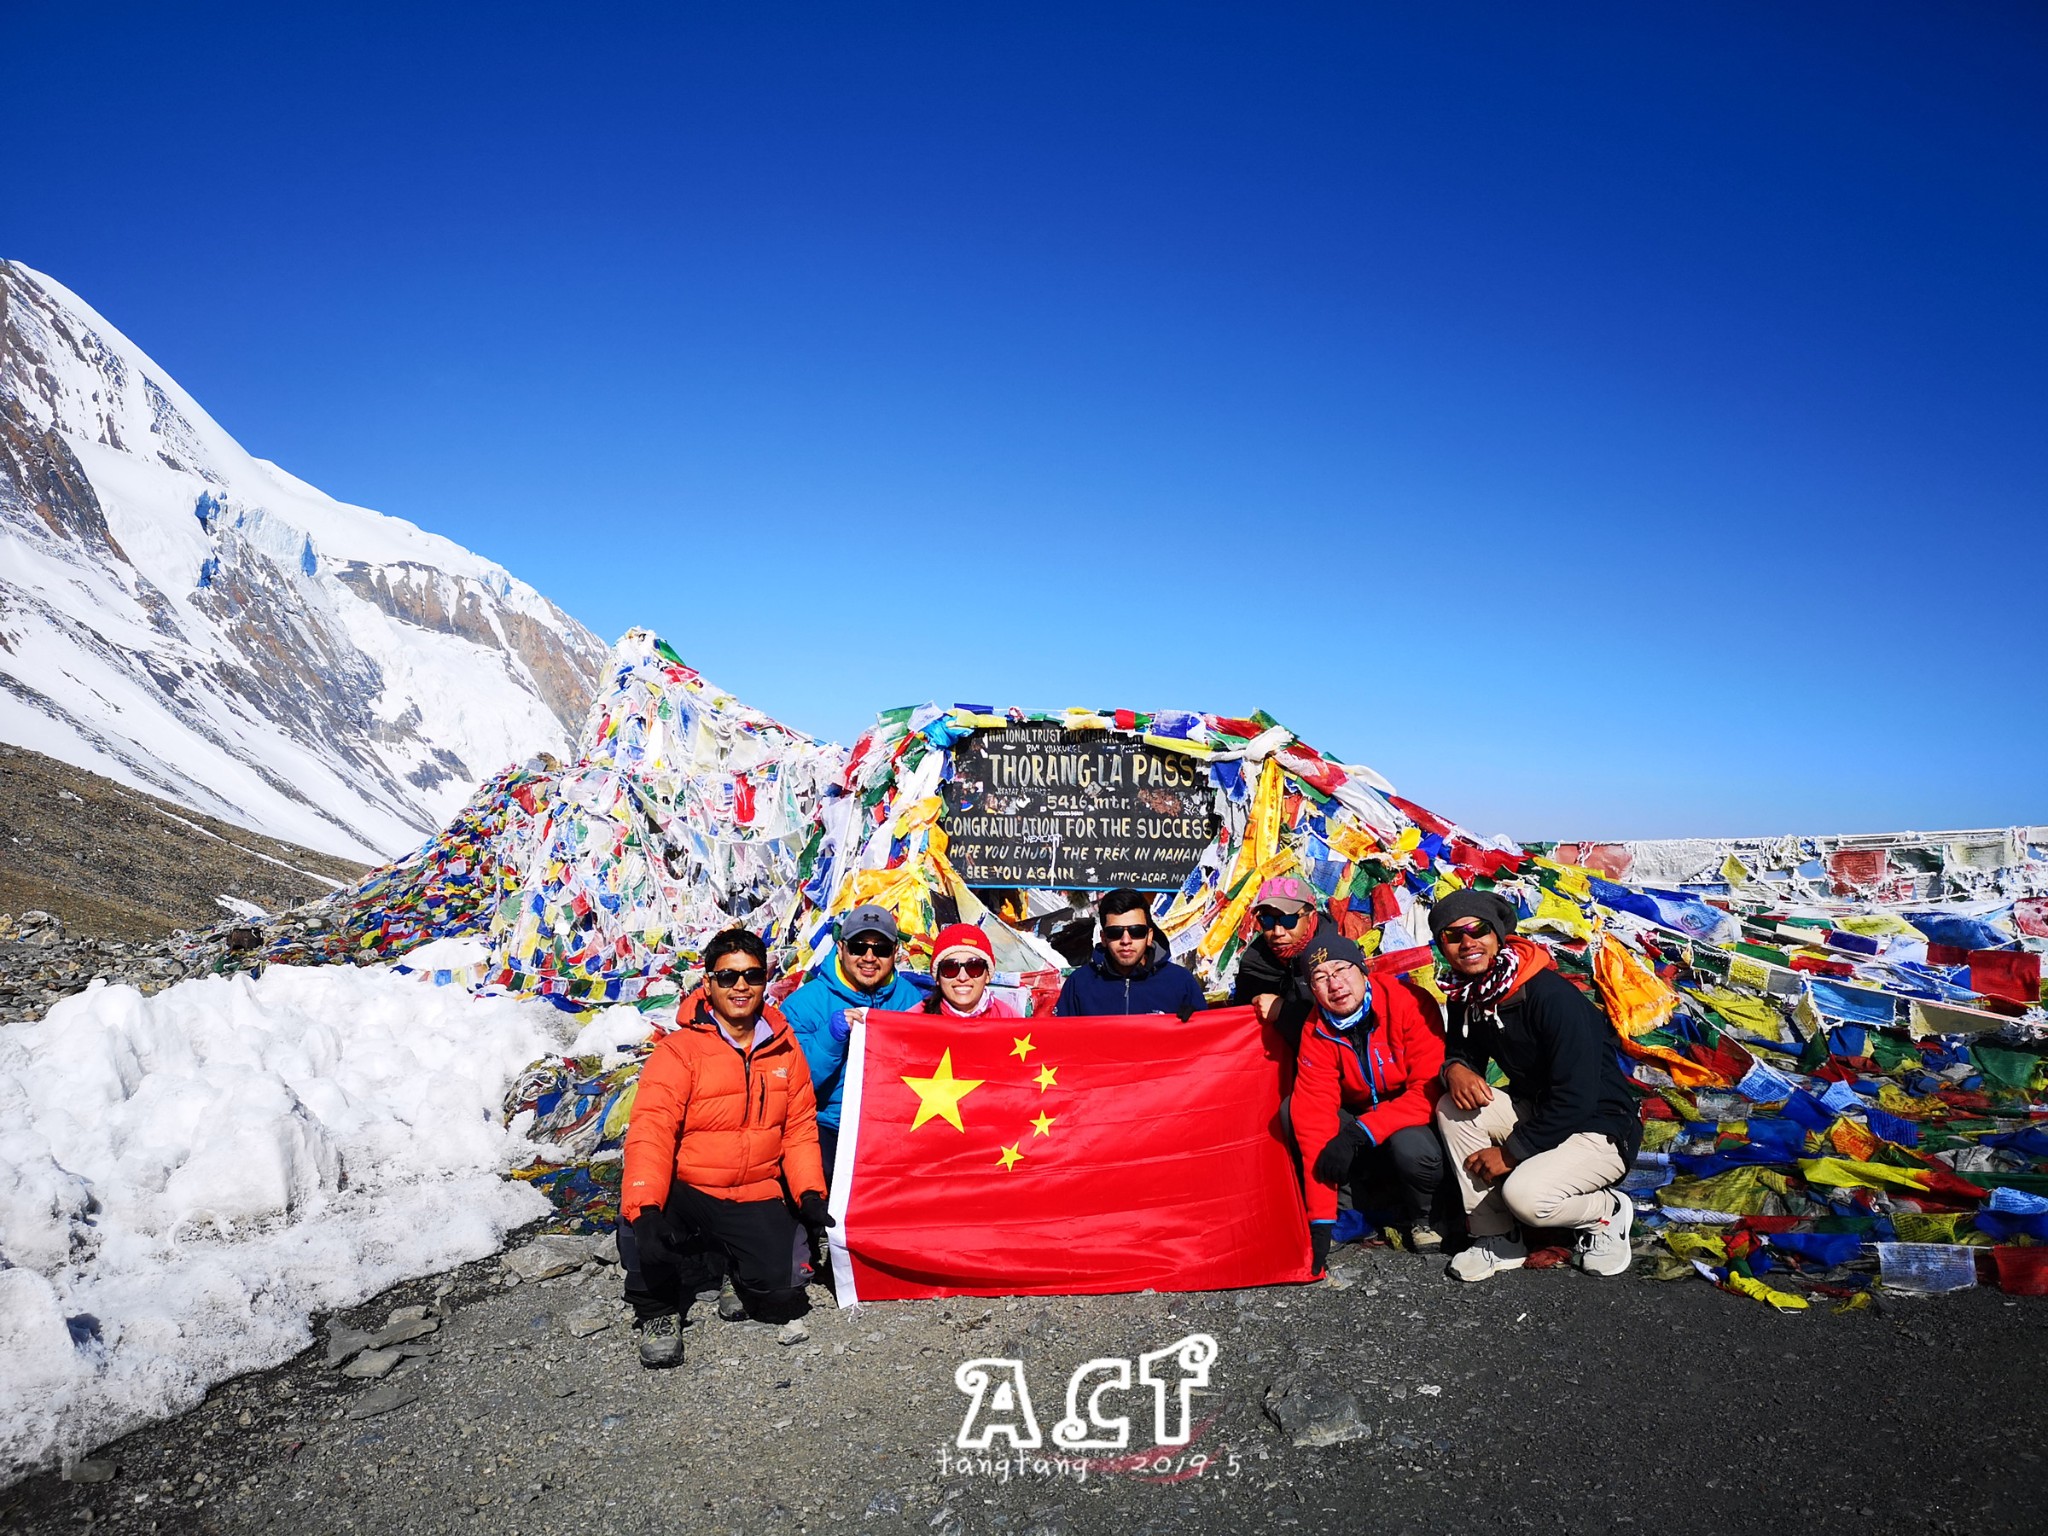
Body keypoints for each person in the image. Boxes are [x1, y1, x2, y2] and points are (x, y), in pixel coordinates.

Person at [619, 928, 831, 1368]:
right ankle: (657, 1309)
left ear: (765, 982)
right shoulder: (678, 1051)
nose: (740, 986)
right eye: (728, 976)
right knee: (639, 1223)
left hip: (753, 1189)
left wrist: (810, 1192)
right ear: (708, 983)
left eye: (752, 976)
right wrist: (647, 1206)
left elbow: (798, 1128)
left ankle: (733, 1265)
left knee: (784, 1287)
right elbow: (652, 1131)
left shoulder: (784, 1049)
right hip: (689, 1187)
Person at [1429, 890, 1642, 1283]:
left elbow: (1577, 1097)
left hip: (1599, 1126)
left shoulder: (1551, 998)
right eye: (1453, 936)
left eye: (1478, 930)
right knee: (1452, 1106)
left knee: (1525, 1197)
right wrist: (1456, 1067)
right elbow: (1463, 1049)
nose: (1468, 942)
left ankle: (1606, 1211)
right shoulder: (1470, 994)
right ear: (1442, 946)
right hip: (1543, 1113)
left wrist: (1511, 1153)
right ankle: (1496, 1236)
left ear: (1499, 935)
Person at [1289, 932, 1449, 1270]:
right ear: (1312, 990)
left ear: (1362, 970)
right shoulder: (1317, 1029)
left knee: (1412, 1146)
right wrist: (1320, 1220)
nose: (1335, 984)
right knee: (1292, 1113)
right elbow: (1313, 1116)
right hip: (1361, 1111)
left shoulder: (1409, 1002)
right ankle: (1346, 1214)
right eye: (1320, 978)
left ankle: (1424, 1216)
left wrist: (1361, 1131)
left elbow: (1429, 1088)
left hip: (1410, 1110)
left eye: (1342, 969)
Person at [782, 903, 925, 1186]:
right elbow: (792, 1083)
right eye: (859, 947)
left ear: (896, 952)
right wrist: (830, 1038)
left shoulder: (913, 1001)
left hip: (895, 1127)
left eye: (881, 948)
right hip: (830, 1126)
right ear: (840, 948)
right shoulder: (803, 1005)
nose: (869, 957)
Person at [1230, 874, 1341, 1054]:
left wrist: (1282, 1011)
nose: (1278, 931)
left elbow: (1344, 1031)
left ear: (1311, 916)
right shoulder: (1254, 963)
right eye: (1267, 921)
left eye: (1288, 920)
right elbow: (1237, 1027)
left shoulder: (1337, 959)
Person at [1053, 888, 1206, 1017]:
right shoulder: (1080, 984)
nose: (1126, 940)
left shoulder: (1180, 982)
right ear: (1104, 938)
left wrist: (1194, 1025)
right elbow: (1060, 1040)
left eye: (1136, 931)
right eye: (1115, 932)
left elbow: (1207, 1044)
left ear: (1149, 936)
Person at [921, 923, 1018, 1020]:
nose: (962, 977)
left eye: (974, 967)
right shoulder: (916, 1021)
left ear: (988, 975)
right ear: (937, 977)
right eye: (950, 968)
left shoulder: (1009, 1019)